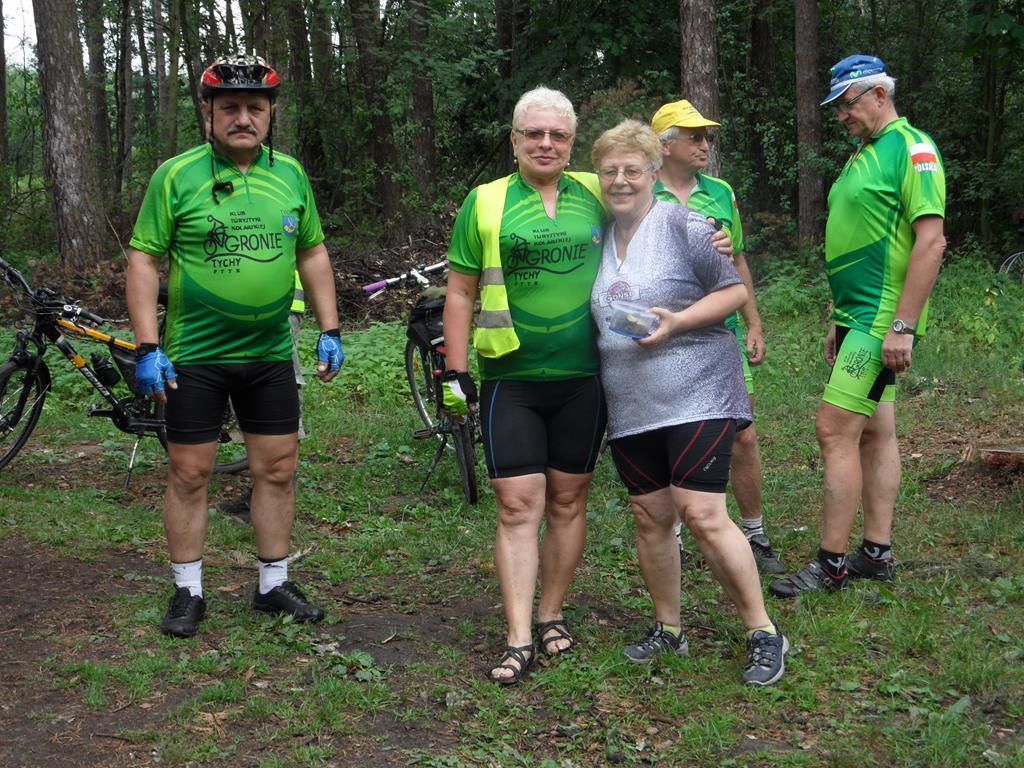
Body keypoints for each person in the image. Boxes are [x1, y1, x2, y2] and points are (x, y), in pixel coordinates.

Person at [125, 54, 344, 637]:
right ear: (208, 113)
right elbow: (144, 259)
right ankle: (188, 590)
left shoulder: (290, 175)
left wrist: (330, 328)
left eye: (254, 107)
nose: (242, 118)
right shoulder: (176, 176)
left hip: (269, 354)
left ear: (270, 114)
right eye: (229, 107)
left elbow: (312, 252)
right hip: (194, 355)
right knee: (189, 473)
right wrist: (147, 345)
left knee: (277, 469)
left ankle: (273, 584)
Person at [589, 120, 788, 685]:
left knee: (701, 513)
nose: (621, 180)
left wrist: (677, 322)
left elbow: (734, 290)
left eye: (633, 170)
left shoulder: (685, 223)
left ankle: (764, 632)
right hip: (631, 399)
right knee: (651, 515)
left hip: (698, 388)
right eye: (610, 170)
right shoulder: (597, 236)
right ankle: (668, 628)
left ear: (654, 173)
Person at [442, 86, 608, 685]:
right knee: (517, 505)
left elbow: (664, 216)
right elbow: (460, 289)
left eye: (557, 135)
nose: (545, 143)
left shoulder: (599, 191)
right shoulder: (485, 201)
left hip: (585, 376)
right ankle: (517, 636)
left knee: (568, 499)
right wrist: (455, 371)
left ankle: (550, 614)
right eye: (533, 133)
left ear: (572, 142)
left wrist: (716, 234)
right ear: (514, 140)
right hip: (509, 376)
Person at [770, 54, 945, 598]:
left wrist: (902, 326)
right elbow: (860, 237)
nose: (841, 115)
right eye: (836, 107)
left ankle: (831, 565)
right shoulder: (863, 153)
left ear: (878, 94)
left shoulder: (912, 148)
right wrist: (835, 316)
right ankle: (876, 552)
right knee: (875, 430)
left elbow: (931, 241)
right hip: (855, 316)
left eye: (846, 104)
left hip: (880, 319)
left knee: (833, 429)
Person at [650, 99, 783, 575]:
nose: (705, 144)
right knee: (667, 433)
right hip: (662, 332)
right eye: (694, 137)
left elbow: (738, 260)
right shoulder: (639, 190)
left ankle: (754, 532)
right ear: (665, 145)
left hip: (721, 332)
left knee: (743, 435)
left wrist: (754, 323)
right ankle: (675, 537)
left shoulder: (721, 192)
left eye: (706, 136)